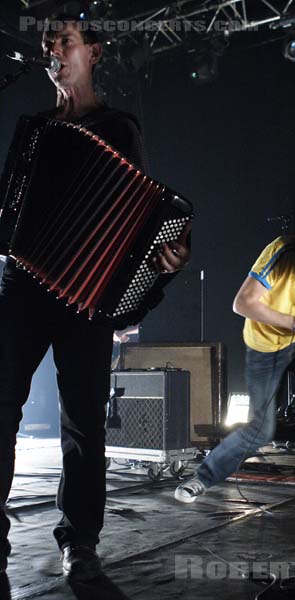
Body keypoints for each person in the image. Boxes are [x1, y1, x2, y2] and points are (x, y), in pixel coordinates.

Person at [0, 14, 190, 581]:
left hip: (86, 295)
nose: (53, 50)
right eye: (47, 43)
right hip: (24, 282)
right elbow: (11, 208)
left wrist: (164, 254)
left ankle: (79, 539)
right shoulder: (31, 127)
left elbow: (140, 214)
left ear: (94, 53)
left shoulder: (118, 127)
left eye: (64, 41)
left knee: (83, 423)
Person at [175, 226, 295, 526]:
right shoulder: (284, 253)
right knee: (261, 429)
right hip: (267, 346)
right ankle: (203, 477)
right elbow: (242, 303)